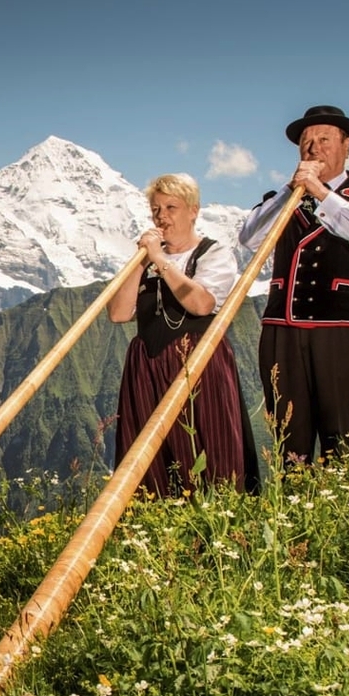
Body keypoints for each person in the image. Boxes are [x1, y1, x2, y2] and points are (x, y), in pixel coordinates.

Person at [236, 104, 349, 465]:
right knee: (289, 437)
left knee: (340, 437)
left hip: (343, 331)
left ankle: (339, 511)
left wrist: (321, 192)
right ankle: (295, 509)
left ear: (347, 146)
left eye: (324, 139)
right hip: (282, 330)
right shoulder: (281, 199)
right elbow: (250, 237)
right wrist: (292, 190)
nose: (313, 148)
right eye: (306, 141)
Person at [109, 173, 258, 497]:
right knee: (150, 459)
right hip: (147, 365)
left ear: (193, 210)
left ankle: (220, 520)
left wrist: (160, 260)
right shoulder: (146, 260)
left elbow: (202, 304)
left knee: (209, 443)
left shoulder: (212, 254)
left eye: (171, 207)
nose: (162, 217)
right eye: (156, 209)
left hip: (199, 363)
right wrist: (139, 264)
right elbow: (119, 313)